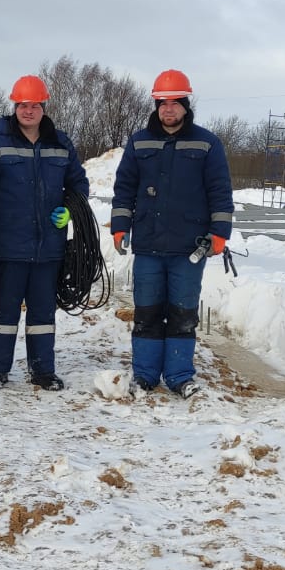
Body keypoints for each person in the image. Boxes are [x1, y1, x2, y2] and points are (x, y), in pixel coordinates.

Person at [110, 69, 234, 398]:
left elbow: (220, 191)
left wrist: (220, 232)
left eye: (175, 103)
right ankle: (145, 375)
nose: (168, 109)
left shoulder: (207, 143)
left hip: (188, 247)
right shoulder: (139, 142)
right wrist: (120, 226)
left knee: (182, 314)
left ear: (185, 105)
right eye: (163, 103)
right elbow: (124, 189)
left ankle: (179, 376)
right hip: (148, 245)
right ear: (156, 105)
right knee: (147, 313)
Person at [0, 74, 90, 391]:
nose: (28, 111)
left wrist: (70, 208)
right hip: (8, 247)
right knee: (3, 313)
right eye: (23, 105)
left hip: (48, 248)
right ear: (15, 106)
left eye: (35, 105)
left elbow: (79, 184)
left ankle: (43, 371)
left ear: (43, 107)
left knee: (43, 315)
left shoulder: (60, 143)